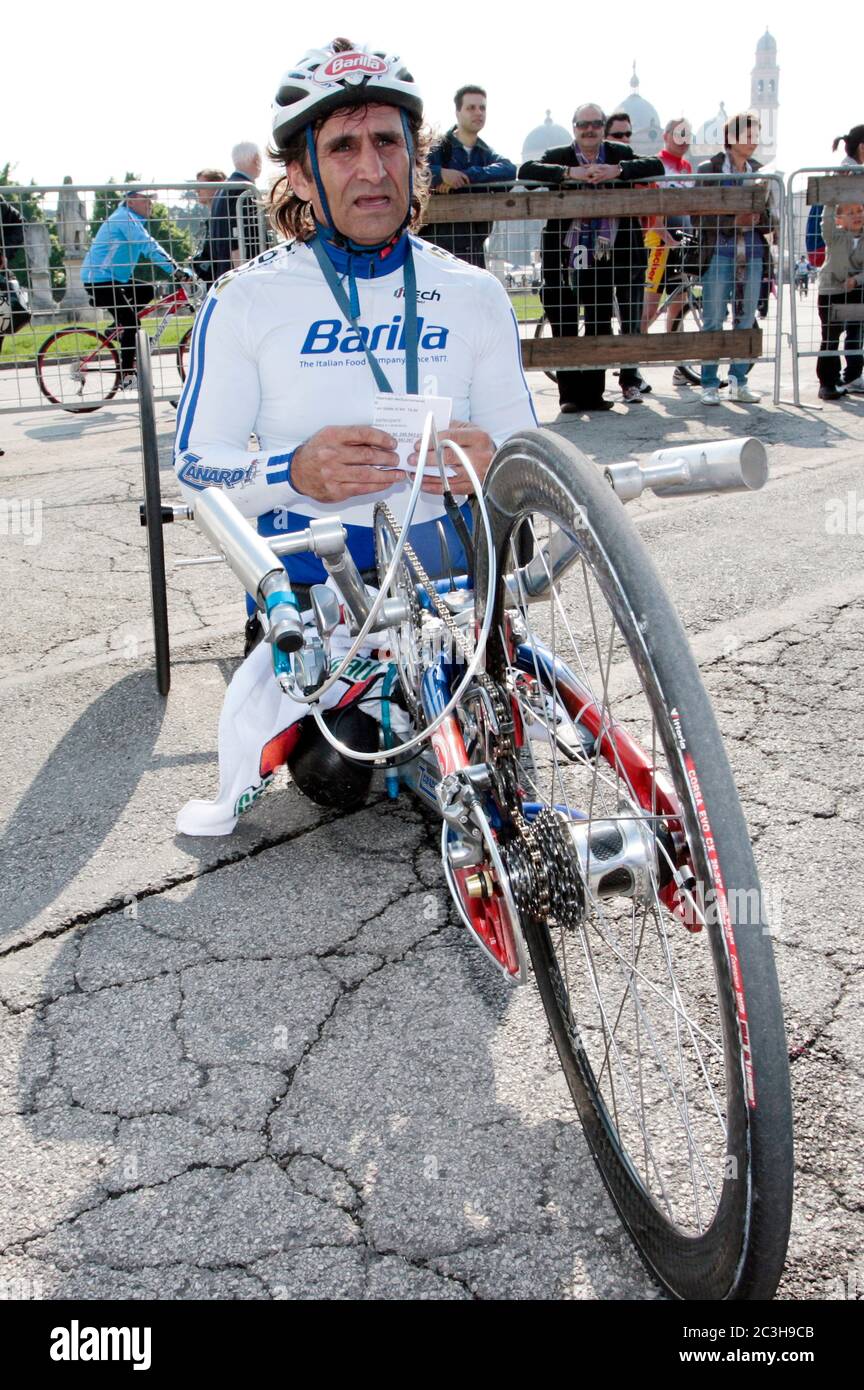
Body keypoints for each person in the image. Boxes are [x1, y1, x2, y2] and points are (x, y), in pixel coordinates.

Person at [172, 38, 537, 837]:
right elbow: (197, 470)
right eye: (342, 146)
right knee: (340, 772)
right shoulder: (246, 301)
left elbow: (531, 456)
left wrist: (497, 462)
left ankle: (437, 704)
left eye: (388, 142)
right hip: (316, 586)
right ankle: (362, 708)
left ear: (417, 160)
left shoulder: (474, 294)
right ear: (301, 174)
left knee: (493, 735)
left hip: (450, 581)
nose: (371, 169)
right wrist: (293, 467)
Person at [519, 104, 663, 411]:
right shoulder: (561, 155)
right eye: (584, 124)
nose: (590, 129)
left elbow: (656, 166)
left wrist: (619, 171)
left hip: (603, 251)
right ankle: (570, 395)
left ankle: (594, 394)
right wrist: (569, 174)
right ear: (574, 127)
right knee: (565, 316)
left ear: (602, 127)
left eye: (596, 124)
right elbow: (527, 172)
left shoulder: (615, 153)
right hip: (567, 250)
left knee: (599, 318)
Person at [695, 112, 775, 406]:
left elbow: (769, 215)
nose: (754, 142)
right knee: (714, 318)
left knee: (745, 318)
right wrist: (733, 220)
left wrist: (762, 219)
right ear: (732, 138)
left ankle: (739, 380)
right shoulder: (709, 169)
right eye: (749, 136)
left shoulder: (761, 171)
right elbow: (698, 214)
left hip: (752, 251)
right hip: (719, 251)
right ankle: (709, 383)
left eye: (756, 136)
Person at [81, 189, 190, 384]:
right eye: (146, 200)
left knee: (147, 290)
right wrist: (175, 270)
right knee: (132, 323)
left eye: (152, 200)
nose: (150, 204)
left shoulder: (132, 219)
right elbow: (149, 245)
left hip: (114, 278)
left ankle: (116, 328)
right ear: (130, 201)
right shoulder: (125, 219)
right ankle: (127, 375)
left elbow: (148, 247)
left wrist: (174, 269)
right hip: (100, 279)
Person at [423, 85, 516, 268]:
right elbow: (413, 172)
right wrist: (440, 174)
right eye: (471, 108)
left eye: (482, 108)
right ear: (457, 112)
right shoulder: (437, 148)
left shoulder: (485, 153)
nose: (478, 113)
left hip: (474, 247)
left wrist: (467, 176)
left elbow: (509, 169)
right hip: (435, 250)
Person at [815, 202, 864, 400]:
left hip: (857, 290)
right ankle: (827, 383)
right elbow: (825, 222)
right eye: (850, 213)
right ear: (839, 219)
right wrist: (830, 199)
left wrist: (857, 280)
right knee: (830, 337)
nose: (856, 215)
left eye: (860, 211)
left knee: (856, 333)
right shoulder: (833, 235)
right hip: (831, 290)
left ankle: (852, 377)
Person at [208, 142, 263, 280]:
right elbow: (237, 235)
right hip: (241, 271)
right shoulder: (244, 190)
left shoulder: (223, 189)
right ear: (256, 159)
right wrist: (244, 275)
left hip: (225, 269)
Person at [190, 168, 227, 287]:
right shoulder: (212, 219)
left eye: (202, 185)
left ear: (218, 184)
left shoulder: (225, 217)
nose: (197, 190)